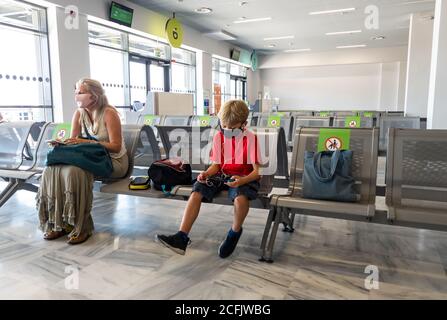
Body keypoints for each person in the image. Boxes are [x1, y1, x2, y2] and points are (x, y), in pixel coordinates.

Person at [156, 100, 261, 258]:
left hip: (244, 176)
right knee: (197, 189)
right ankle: (181, 237)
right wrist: (206, 174)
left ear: (244, 124)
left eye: (232, 128)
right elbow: (216, 166)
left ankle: (235, 231)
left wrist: (241, 181)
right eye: (223, 126)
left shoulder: (251, 139)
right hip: (223, 175)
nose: (227, 130)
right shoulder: (220, 137)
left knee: (240, 199)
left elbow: (257, 172)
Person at [36, 78, 128, 244]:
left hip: (113, 161)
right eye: (76, 91)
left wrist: (88, 142)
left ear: (94, 96)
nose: (76, 95)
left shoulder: (109, 113)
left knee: (75, 172)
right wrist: (62, 143)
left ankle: (81, 226)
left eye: (80, 92)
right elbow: (74, 141)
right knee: (52, 169)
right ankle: (58, 224)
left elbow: (115, 146)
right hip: (91, 158)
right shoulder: (79, 113)